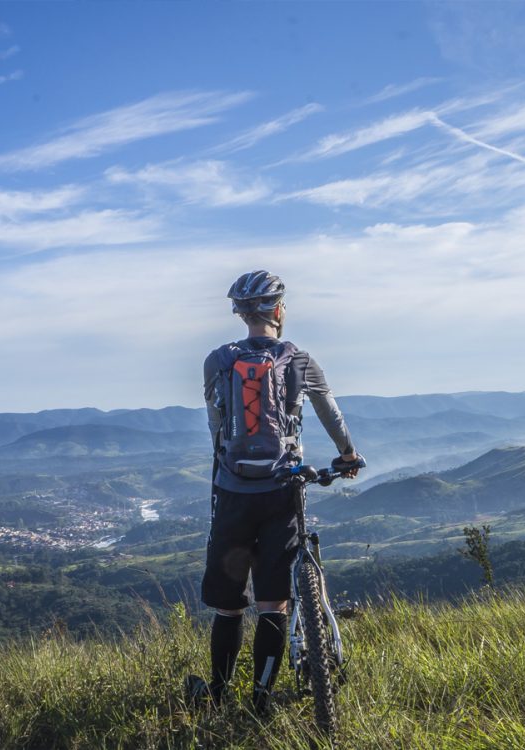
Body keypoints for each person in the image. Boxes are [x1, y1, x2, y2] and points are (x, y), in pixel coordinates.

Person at [187, 270, 360, 715]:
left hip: (232, 492)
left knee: (228, 607)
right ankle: (261, 700)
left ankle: (218, 696)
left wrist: (228, 467)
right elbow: (331, 414)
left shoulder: (217, 361)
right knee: (273, 603)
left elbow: (215, 426)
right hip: (282, 490)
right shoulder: (299, 359)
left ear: (241, 313)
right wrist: (347, 455)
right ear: (279, 310)